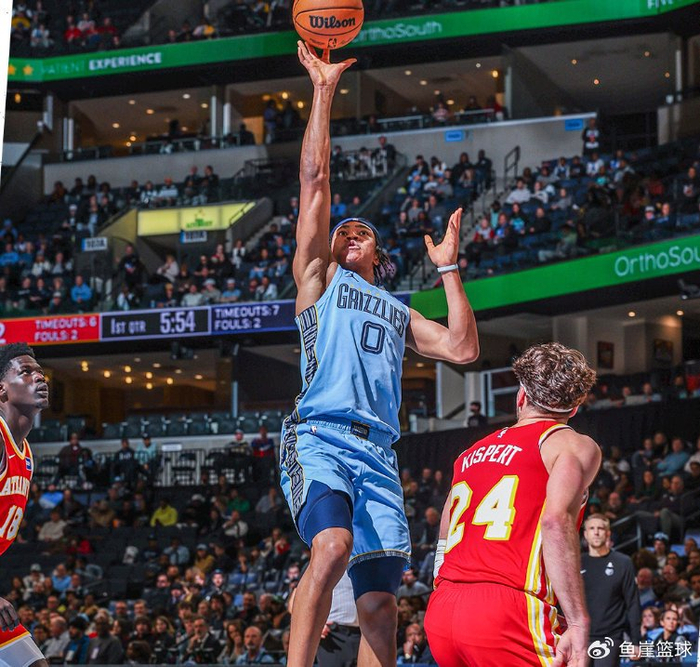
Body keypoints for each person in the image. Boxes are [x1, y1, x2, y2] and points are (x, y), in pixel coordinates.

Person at [281, 42, 479, 667]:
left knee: (380, 609)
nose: (349, 231)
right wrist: (323, 88)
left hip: (379, 454)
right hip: (321, 434)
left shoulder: (398, 310)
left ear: (378, 253)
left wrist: (448, 269)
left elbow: (463, 348)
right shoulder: (319, 280)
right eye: (342, 229)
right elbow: (315, 182)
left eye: (361, 230)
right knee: (331, 547)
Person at [425, 342, 601, 667]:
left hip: (444, 606)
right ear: (575, 407)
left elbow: (446, 525)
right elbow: (554, 521)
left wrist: (440, 583)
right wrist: (578, 621)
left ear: (521, 396)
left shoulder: (470, 452)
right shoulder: (570, 443)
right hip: (506, 608)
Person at [0, 343, 50, 667]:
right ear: (2, 390)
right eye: (26, 372)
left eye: (41, 373)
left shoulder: (26, 452)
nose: (40, 378)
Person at [580, 514, 641, 666]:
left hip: (610, 637)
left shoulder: (623, 562)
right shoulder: (577, 562)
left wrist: (635, 640)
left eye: (600, 528)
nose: (596, 532)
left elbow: (633, 603)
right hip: (580, 636)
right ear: (585, 534)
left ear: (608, 533)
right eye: (591, 528)